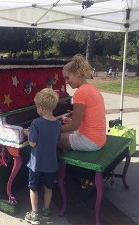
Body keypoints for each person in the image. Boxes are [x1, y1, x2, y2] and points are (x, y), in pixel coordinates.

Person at [23, 88, 61, 224]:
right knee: (48, 188)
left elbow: (32, 143)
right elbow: (56, 140)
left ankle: (34, 214)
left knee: (33, 188)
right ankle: (46, 211)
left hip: (36, 164)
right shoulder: (57, 124)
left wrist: (27, 133)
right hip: (51, 164)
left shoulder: (36, 123)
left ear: (41, 107)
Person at [58, 54, 106, 152]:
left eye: (67, 78)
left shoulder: (80, 93)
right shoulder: (92, 88)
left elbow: (75, 125)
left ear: (78, 73)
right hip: (99, 138)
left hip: (89, 141)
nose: (66, 82)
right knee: (66, 133)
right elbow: (89, 118)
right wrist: (72, 120)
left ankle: (60, 166)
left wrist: (52, 129)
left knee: (51, 138)